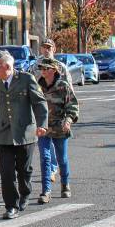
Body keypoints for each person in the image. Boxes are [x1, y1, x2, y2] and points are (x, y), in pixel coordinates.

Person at [0, 51, 48, 220]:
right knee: (6, 173)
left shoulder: (26, 79)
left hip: (25, 133)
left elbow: (39, 102)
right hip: (3, 134)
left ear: (8, 66)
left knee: (24, 170)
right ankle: (11, 206)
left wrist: (42, 125)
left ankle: (25, 191)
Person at [36, 58, 79, 203]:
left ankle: (65, 184)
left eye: (46, 68)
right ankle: (46, 191)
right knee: (45, 158)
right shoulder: (37, 86)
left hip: (60, 127)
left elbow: (72, 105)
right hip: (43, 128)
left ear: (53, 70)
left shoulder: (63, 86)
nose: (43, 71)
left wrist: (68, 120)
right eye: (41, 68)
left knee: (62, 159)